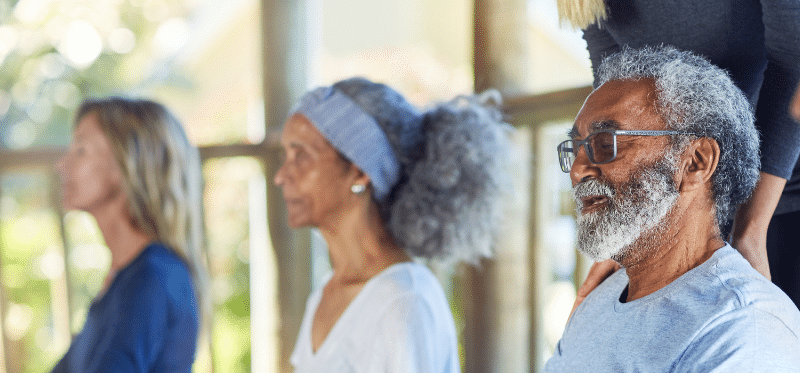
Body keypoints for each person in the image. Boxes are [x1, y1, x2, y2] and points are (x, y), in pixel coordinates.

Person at [546, 46, 800, 371]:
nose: (578, 170)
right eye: (577, 147)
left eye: (605, 142)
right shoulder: (597, 300)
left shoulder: (745, 326)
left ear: (696, 162)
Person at [558, 0, 800, 307]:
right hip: (688, 198)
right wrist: (625, 236)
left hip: (778, 191)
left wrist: (750, 229)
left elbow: (794, 61)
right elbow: (613, 83)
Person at [274, 77, 510, 372]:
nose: (281, 176)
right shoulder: (326, 292)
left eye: (301, 156)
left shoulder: (404, 300)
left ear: (359, 172)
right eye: (286, 156)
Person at [53, 98, 208, 372]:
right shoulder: (123, 278)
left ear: (127, 164)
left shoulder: (153, 276)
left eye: (81, 150)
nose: (62, 165)